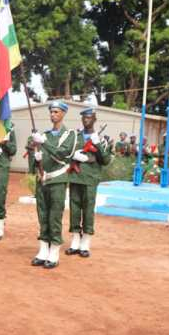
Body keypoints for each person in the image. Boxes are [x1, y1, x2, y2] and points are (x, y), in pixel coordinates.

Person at [30, 101, 77, 269]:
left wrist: (43, 142)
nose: (53, 115)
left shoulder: (70, 135)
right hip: (43, 179)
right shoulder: (45, 134)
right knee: (42, 215)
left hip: (58, 179)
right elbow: (38, 157)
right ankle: (43, 249)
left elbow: (63, 153)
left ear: (63, 114)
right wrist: (36, 159)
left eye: (56, 112)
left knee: (54, 216)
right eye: (51, 112)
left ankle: (54, 251)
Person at [66, 108, 111, 258]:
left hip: (90, 179)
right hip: (75, 177)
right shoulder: (75, 136)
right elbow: (66, 152)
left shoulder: (101, 139)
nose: (86, 120)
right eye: (84, 117)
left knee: (88, 209)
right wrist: (74, 156)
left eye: (90, 117)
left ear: (94, 119)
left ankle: (85, 241)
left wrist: (97, 145)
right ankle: (75, 239)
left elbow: (105, 160)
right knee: (74, 208)